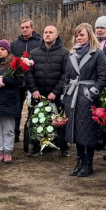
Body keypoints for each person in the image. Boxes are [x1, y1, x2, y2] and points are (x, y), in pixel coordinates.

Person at [62, 24, 106, 178]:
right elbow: (67, 76)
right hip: (73, 97)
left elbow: (103, 76)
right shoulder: (72, 54)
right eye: (76, 35)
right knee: (76, 131)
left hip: (87, 98)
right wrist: (65, 94)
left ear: (89, 35)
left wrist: (91, 93)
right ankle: (79, 161)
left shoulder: (97, 54)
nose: (79, 37)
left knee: (88, 132)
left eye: (81, 35)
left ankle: (88, 163)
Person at [26, 25, 69, 157]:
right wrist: (34, 90)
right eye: (45, 32)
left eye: (51, 32)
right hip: (38, 94)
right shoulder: (34, 53)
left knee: (59, 121)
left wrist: (55, 92)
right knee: (35, 120)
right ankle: (36, 147)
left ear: (56, 35)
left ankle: (63, 147)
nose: (48, 34)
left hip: (55, 95)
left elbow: (66, 74)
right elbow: (29, 73)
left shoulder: (64, 53)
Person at [0, 39, 22, 163]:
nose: (0, 52)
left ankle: (7, 152)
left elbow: (19, 81)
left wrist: (4, 81)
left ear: (8, 51)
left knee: (9, 130)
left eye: (3, 50)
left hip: (9, 102)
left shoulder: (14, 65)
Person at [10, 18, 43, 141]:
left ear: (32, 28)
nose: (24, 29)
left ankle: (32, 135)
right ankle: (15, 135)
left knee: (33, 109)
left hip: (34, 81)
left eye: (27, 27)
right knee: (16, 109)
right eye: (22, 27)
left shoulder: (40, 42)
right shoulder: (15, 44)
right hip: (18, 82)